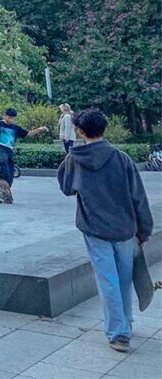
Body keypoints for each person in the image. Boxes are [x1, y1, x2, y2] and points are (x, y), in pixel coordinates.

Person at [58, 109, 153, 353]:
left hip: (94, 228)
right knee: (122, 279)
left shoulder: (74, 159)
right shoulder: (121, 159)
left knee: (107, 280)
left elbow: (67, 188)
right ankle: (125, 323)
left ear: (80, 131)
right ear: (104, 128)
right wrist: (145, 229)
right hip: (124, 228)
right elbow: (139, 197)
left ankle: (119, 333)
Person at [0, 107, 49, 203]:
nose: (11, 119)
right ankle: (1, 184)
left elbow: (29, 134)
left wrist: (40, 129)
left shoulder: (15, 128)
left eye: (12, 118)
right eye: (9, 117)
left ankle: (3, 191)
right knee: (3, 163)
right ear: (5, 115)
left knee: (10, 174)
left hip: (9, 152)